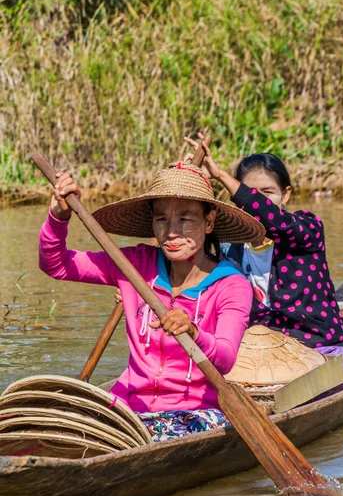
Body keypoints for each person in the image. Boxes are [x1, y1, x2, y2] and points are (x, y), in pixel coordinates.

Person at [39, 161, 265, 441]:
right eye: (161, 219)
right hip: (127, 407)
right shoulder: (134, 265)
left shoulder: (231, 285)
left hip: (192, 413)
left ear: (209, 222)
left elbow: (225, 358)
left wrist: (193, 331)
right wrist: (58, 216)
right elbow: (57, 265)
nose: (171, 232)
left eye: (185, 219)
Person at [184, 135, 343, 390]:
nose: (258, 204)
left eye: (267, 194)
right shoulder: (228, 248)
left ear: (285, 196)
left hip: (313, 350)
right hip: (256, 357)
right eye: (250, 195)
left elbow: (277, 221)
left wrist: (222, 176)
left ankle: (283, 398)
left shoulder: (306, 230)